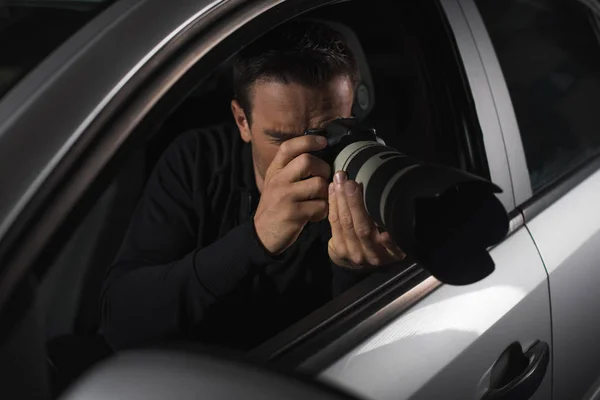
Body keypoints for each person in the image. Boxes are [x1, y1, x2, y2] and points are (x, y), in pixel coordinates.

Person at [101, 19, 405, 351]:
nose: (304, 154)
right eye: (281, 139)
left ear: (353, 112)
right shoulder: (198, 160)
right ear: (242, 121)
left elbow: (371, 351)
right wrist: (254, 240)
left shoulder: (370, 181)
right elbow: (120, 320)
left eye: (329, 133)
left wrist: (356, 271)